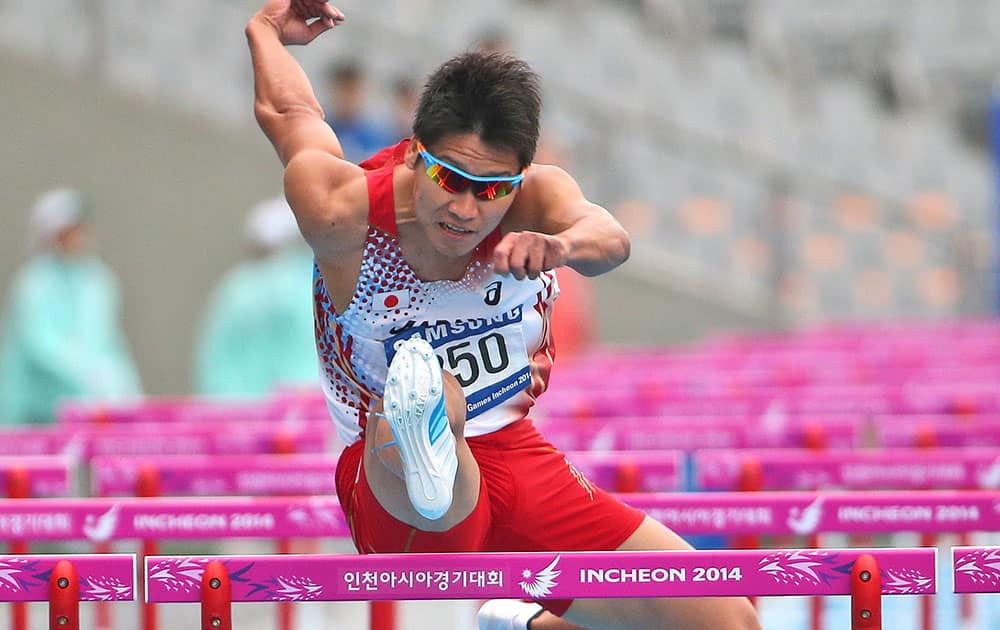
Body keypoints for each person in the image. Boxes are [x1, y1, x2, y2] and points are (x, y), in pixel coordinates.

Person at [245, 2, 761, 629]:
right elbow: (292, 116)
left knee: (724, 619)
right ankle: (429, 431)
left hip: (517, 456)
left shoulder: (540, 202)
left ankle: (521, 622)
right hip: (390, 477)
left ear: (520, 178)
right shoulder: (344, 213)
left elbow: (612, 238)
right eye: (448, 178)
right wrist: (266, 31)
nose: (465, 208)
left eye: (490, 190)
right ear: (414, 154)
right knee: (432, 404)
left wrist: (562, 246)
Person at [0, 189, 142, 425]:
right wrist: (86, 375)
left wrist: (124, 387)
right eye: (68, 231)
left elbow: (105, 341)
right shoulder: (34, 284)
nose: (76, 237)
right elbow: (40, 345)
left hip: (87, 413)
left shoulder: (97, 282)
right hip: (36, 413)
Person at [194, 197, 318, 397]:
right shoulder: (307, 283)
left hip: (239, 410)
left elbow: (215, 361)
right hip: (307, 410)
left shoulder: (236, 287)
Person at [321, 59, 395, 163]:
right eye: (342, 91)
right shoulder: (321, 129)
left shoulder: (377, 134)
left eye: (351, 91)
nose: (347, 98)